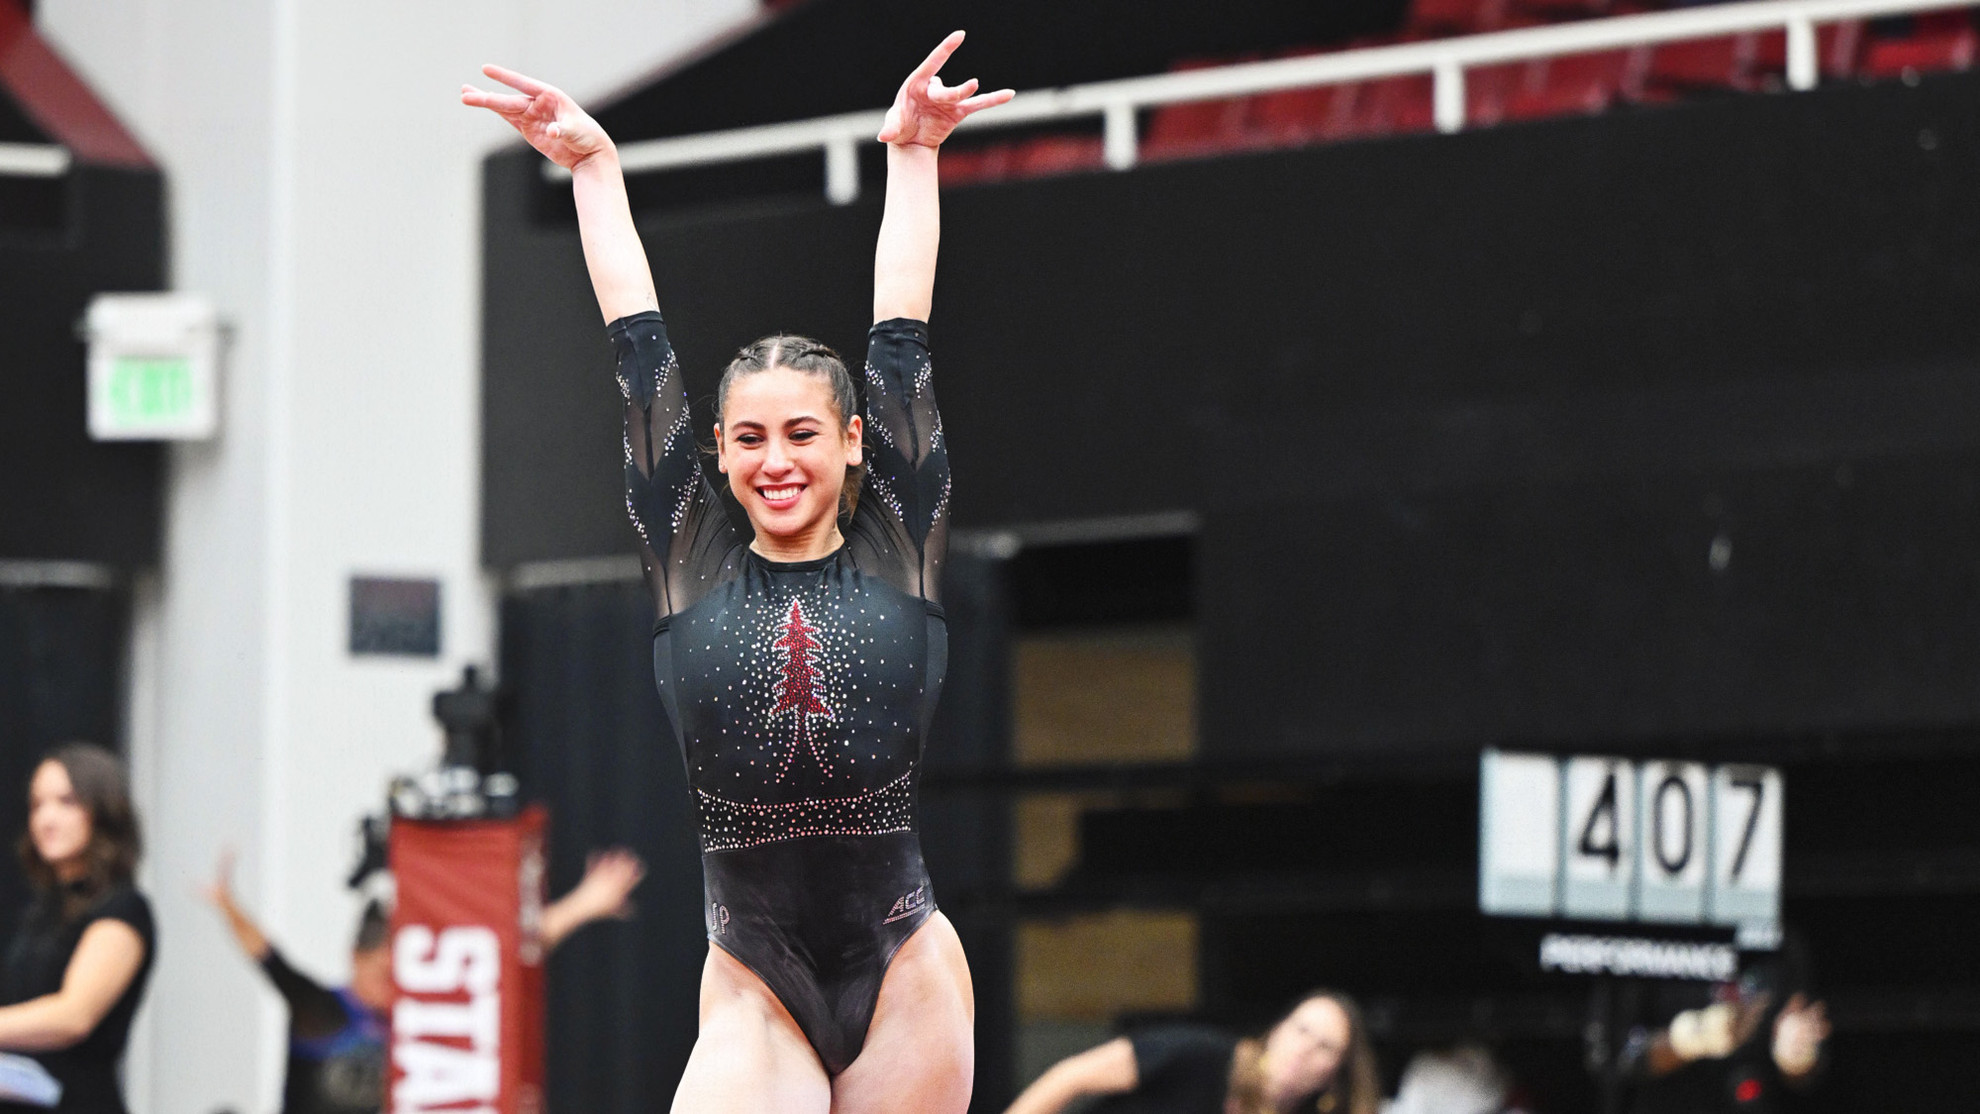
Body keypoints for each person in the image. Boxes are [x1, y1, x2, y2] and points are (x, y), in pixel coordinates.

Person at [460, 30, 1012, 1113]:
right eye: (749, 440)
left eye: (802, 434)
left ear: (856, 439)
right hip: (756, 978)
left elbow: (903, 332)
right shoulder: (687, 553)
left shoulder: (901, 540)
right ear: (713, 452)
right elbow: (638, 347)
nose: (776, 462)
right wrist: (594, 169)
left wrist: (912, 158)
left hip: (905, 969)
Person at [202, 846, 646, 1114]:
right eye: (383, 972)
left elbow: (502, 963)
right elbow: (272, 961)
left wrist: (584, 903)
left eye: (402, 973)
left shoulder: (420, 1013)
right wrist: (228, 904)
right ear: (356, 957)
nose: (393, 985)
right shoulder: (321, 1013)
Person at [0, 744, 153, 1114]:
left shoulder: (123, 909)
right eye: (37, 805)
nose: (46, 819)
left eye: (66, 802)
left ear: (103, 811)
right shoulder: (41, 913)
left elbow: (73, 1016)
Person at [1006, 990, 1382, 1114]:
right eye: (1302, 1029)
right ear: (1278, 1029)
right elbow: (1070, 1077)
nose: (1305, 1049)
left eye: (1325, 1047)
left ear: (1335, 1073)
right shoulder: (1203, 1055)